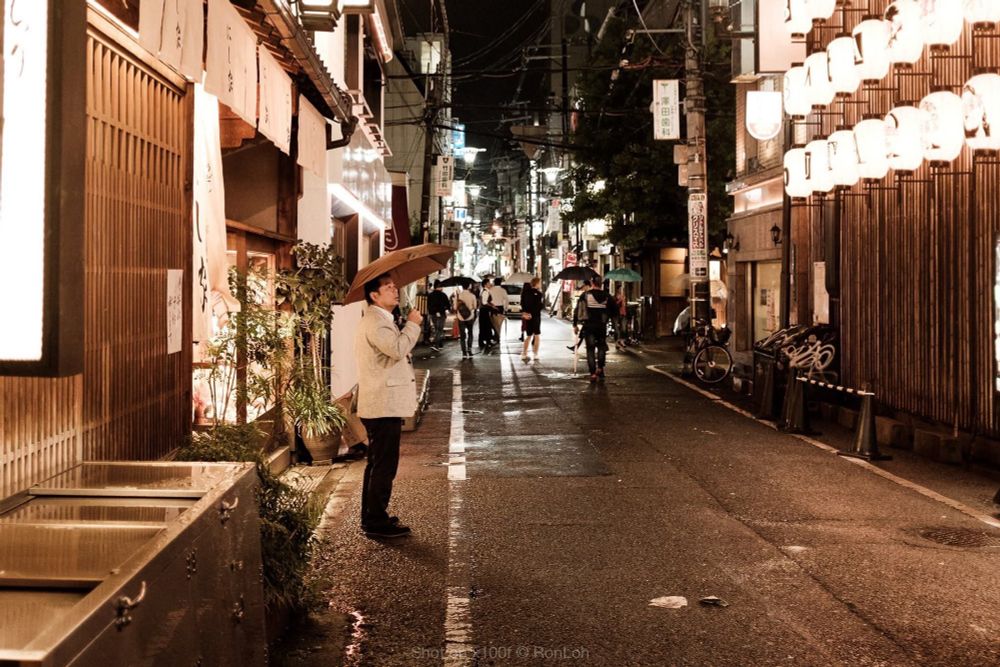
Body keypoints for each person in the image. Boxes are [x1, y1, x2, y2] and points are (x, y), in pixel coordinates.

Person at [355, 273, 422, 539]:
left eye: (396, 286)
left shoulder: (381, 319)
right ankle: (376, 521)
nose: (396, 291)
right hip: (382, 405)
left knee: (377, 463)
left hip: (382, 404)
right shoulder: (376, 321)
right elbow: (396, 349)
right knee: (383, 465)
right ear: (374, 295)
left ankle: (372, 517)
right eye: (389, 287)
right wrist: (413, 325)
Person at [581, 280, 614, 382]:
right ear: (601, 284)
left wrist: (575, 323)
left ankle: (593, 374)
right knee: (601, 347)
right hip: (601, 326)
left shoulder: (586, 295)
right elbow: (614, 310)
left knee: (590, 350)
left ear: (593, 284)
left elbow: (579, 309)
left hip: (589, 326)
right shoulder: (607, 296)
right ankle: (600, 368)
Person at [520, 277, 544, 361]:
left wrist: (525, 312)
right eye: (540, 283)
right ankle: (535, 354)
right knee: (537, 335)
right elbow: (539, 306)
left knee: (529, 335)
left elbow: (522, 303)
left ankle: (524, 353)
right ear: (536, 283)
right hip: (536, 316)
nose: (540, 284)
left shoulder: (525, 292)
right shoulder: (539, 293)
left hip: (527, 315)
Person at [454, 283, 478, 358]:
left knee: (462, 335)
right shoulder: (472, 295)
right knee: (470, 333)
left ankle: (464, 353)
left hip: (460, 317)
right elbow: (475, 306)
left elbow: (455, 307)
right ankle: (469, 350)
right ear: (469, 286)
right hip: (470, 317)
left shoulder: (458, 296)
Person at [567, 280, 592, 352]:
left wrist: (575, 323)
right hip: (594, 319)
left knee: (585, 334)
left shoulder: (584, 295)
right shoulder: (593, 294)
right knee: (583, 333)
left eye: (584, 286)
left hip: (587, 319)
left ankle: (578, 347)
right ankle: (576, 347)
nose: (583, 288)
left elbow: (578, 309)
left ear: (587, 286)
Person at [427, 280, 450, 352]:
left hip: (433, 314)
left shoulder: (430, 295)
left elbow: (428, 306)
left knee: (437, 328)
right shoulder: (443, 295)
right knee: (439, 329)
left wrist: (433, 311)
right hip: (441, 314)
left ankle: (440, 344)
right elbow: (448, 305)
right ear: (439, 286)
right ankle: (436, 345)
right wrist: (446, 309)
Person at [487, 277, 509, 346]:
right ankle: (497, 336)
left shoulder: (490, 290)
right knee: (499, 324)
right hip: (500, 308)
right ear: (500, 283)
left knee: (493, 323)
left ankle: (496, 336)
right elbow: (506, 300)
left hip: (492, 307)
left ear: (494, 282)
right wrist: (506, 308)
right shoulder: (503, 290)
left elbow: (488, 300)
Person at [478, 278, 495, 350]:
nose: (490, 284)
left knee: (484, 326)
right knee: (486, 326)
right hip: (484, 310)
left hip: (483, 310)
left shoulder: (485, 291)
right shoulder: (485, 292)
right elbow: (484, 302)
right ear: (485, 284)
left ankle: (483, 341)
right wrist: (492, 306)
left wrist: (491, 304)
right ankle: (487, 341)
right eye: (488, 283)